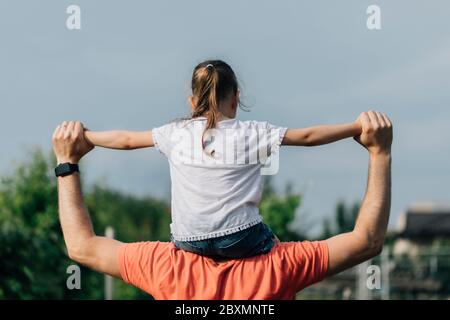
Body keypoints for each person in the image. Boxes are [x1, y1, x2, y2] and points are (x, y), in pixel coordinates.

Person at [52, 110, 392, 299]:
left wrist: (67, 164)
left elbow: (82, 247)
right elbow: (367, 241)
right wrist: (380, 153)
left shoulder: (164, 268)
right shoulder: (278, 269)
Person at [82, 60, 364, 259]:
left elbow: (127, 140)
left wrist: (88, 136)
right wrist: (356, 127)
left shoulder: (175, 133)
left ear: (193, 102)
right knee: (274, 245)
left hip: (188, 240)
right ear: (236, 99)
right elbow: (307, 136)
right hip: (240, 238)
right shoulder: (253, 132)